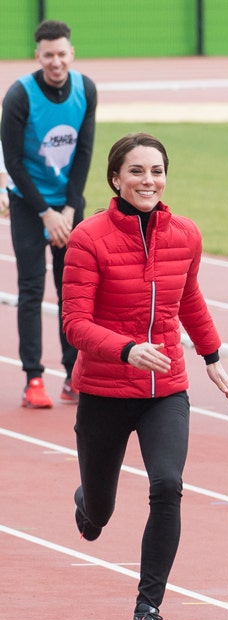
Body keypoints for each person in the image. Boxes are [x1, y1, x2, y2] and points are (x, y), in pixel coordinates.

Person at [63, 132, 228, 620]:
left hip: (165, 390)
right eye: (136, 171)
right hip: (104, 390)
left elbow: (189, 298)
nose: (148, 181)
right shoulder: (88, 238)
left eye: (156, 171)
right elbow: (74, 323)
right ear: (116, 179)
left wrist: (212, 355)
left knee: (167, 485)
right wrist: (124, 349)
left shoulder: (185, 235)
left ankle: (148, 611)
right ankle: (88, 505)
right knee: (99, 512)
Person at [2, 19, 96, 408]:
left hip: (68, 204)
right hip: (29, 203)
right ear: (36, 56)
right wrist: (46, 213)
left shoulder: (86, 89)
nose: (56, 62)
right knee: (30, 289)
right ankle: (33, 378)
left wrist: (70, 209)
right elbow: (14, 161)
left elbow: (85, 152)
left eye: (62, 54)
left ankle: (74, 374)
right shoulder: (19, 95)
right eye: (48, 55)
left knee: (73, 291)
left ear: (71, 54)